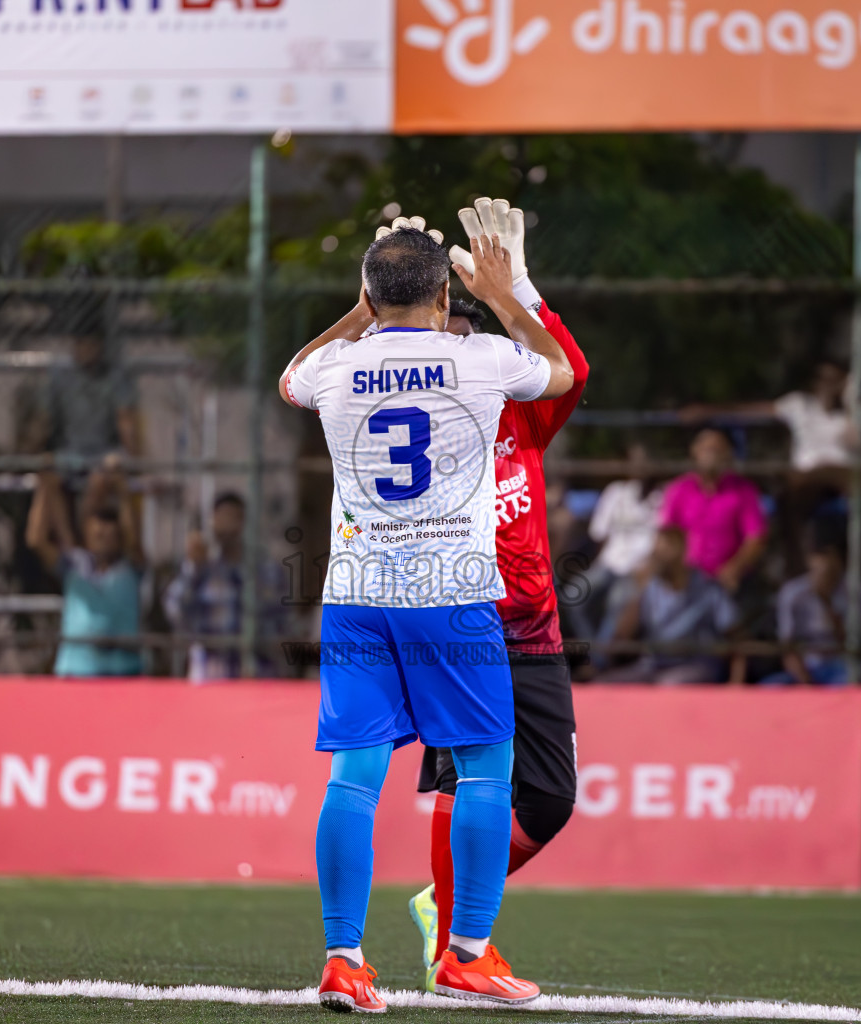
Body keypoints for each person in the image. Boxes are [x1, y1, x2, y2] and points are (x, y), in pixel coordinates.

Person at [278, 216, 574, 1010]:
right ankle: (465, 952)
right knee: (485, 769)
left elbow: (291, 376)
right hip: (450, 598)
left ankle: (344, 957)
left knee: (353, 780)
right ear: (446, 295)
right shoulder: (480, 359)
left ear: (371, 297)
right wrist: (508, 294)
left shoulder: (335, 370)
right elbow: (561, 374)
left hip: (354, 600)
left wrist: (358, 314)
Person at [404, 200, 589, 992]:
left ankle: (443, 907)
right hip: (457, 621)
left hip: (535, 627)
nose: (458, 348)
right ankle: (457, 945)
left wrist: (521, 290)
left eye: (469, 335)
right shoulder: (413, 416)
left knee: (548, 799)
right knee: (459, 780)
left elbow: (569, 368)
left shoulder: (522, 412)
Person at [682, 359, 861, 573]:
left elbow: (858, 442)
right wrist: (709, 411)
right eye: (822, 379)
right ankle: (798, 569)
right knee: (788, 503)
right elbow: (753, 411)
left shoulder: (852, 413)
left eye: (834, 380)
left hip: (844, 475)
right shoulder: (799, 404)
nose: (827, 384)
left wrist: (852, 399)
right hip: (808, 476)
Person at [26, 462, 144, 678]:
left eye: (110, 534)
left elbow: (134, 538)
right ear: (87, 535)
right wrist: (45, 488)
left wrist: (121, 487)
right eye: (98, 534)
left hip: (122, 673)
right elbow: (37, 540)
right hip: (75, 671)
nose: (104, 538)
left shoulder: (131, 569)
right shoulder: (75, 565)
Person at [162, 492, 285, 678]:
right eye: (221, 519)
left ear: (243, 522)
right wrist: (192, 569)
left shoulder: (266, 570)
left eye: (232, 519)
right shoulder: (201, 569)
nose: (227, 527)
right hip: (211, 675)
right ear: (212, 523)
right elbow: (175, 610)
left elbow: (282, 623)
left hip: (255, 675)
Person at [604, 527, 738, 684]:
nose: (655, 555)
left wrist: (736, 685)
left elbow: (736, 637)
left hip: (696, 665)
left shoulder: (708, 589)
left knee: (669, 686)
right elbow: (621, 637)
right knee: (606, 684)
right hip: (654, 665)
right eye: (654, 550)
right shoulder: (650, 587)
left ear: (681, 551)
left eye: (662, 550)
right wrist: (639, 591)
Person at [573, 440, 663, 657]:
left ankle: (598, 663)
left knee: (617, 601)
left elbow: (661, 541)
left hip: (638, 568)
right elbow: (599, 534)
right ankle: (594, 652)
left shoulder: (662, 497)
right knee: (573, 596)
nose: (640, 466)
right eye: (635, 461)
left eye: (645, 461)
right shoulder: (615, 492)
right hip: (609, 562)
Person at [659, 428, 768, 593]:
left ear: (728, 454)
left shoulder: (743, 490)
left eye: (717, 450)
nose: (711, 455)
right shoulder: (678, 489)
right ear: (694, 452)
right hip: (687, 579)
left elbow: (756, 537)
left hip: (729, 580)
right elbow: (667, 534)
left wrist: (735, 567)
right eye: (706, 449)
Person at [763, 541, 861, 685]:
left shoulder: (860, 593)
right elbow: (787, 647)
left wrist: (825, 600)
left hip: (844, 666)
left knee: (850, 682)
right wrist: (806, 682)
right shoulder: (793, 593)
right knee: (771, 686)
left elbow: (853, 643)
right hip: (807, 666)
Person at [39, 324, 140, 472]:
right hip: (70, 451)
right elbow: (43, 421)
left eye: (92, 345)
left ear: (101, 347)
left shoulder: (114, 377)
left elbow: (125, 420)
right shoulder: (61, 377)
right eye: (82, 344)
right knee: (47, 471)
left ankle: (89, 495)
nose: (87, 350)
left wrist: (137, 460)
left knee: (103, 472)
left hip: (104, 452)